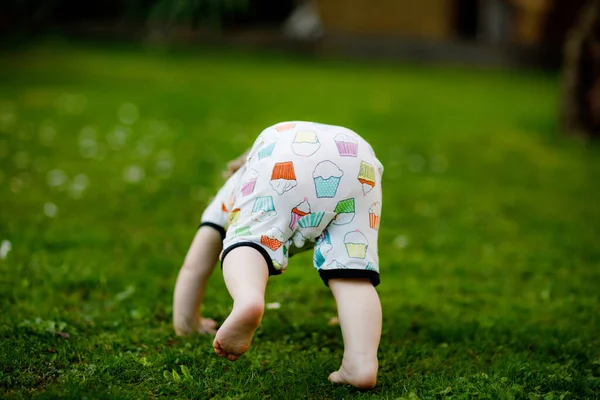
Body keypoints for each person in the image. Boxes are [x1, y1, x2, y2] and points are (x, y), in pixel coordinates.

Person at [173, 121, 384, 389]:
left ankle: (248, 299)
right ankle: (361, 362)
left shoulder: (237, 186)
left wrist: (188, 323)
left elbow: (195, 266)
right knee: (352, 273)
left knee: (249, 242)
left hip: (281, 153)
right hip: (359, 157)